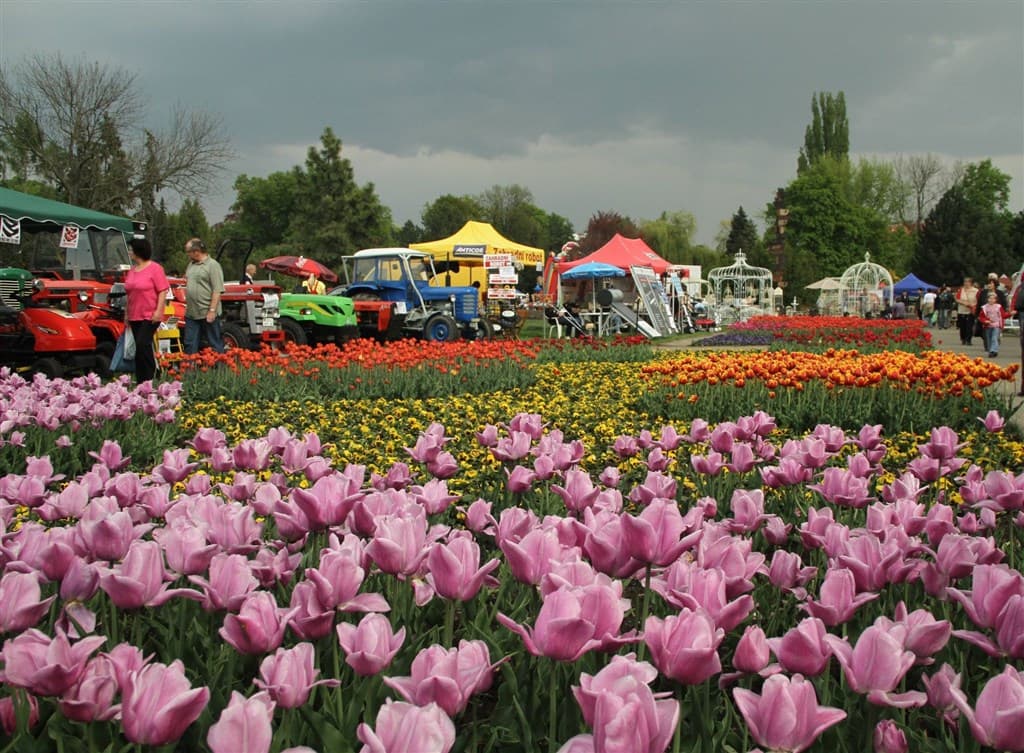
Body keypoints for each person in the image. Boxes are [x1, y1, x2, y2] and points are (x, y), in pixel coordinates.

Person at [123, 237, 169, 382]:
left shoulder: (155, 269)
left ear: (138, 252)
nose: (129, 252)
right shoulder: (132, 271)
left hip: (150, 315)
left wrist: (158, 310)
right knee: (140, 347)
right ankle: (142, 379)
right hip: (134, 314)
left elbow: (162, 290)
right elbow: (129, 293)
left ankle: (151, 376)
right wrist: (126, 314)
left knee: (143, 344)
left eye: (131, 250)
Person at [183, 237, 225, 353]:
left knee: (214, 343)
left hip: (207, 312)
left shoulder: (213, 265)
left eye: (188, 252)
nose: (187, 255)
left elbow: (217, 290)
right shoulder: (191, 265)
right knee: (190, 343)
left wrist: (212, 310)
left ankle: (219, 369)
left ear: (196, 252)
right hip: (192, 313)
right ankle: (190, 369)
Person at [978, 290, 1005, 357]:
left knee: (994, 338)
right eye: (990, 298)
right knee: (988, 339)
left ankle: (993, 351)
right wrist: (985, 321)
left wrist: (1010, 313)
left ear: (996, 300)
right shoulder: (984, 307)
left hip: (996, 325)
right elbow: (981, 317)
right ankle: (991, 350)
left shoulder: (998, 307)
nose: (991, 300)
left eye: (993, 298)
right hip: (988, 325)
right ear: (987, 299)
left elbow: (1003, 315)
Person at [955, 277, 979, 346]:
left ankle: (968, 340)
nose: (966, 283)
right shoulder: (961, 290)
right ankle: (963, 338)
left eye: (968, 282)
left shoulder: (975, 291)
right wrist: (964, 303)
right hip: (962, 310)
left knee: (969, 326)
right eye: (965, 282)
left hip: (971, 311)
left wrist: (974, 306)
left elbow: (978, 300)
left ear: (971, 283)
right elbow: (957, 299)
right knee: (962, 326)